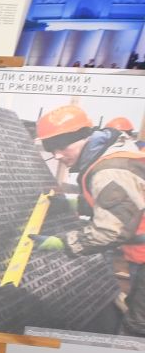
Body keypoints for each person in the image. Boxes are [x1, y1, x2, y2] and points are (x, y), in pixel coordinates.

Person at [34, 104, 145, 338]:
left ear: (83, 138)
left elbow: (111, 232)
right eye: (51, 149)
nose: (57, 156)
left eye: (62, 147)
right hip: (138, 255)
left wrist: (62, 243)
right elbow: (122, 202)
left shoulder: (108, 171)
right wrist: (73, 204)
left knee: (138, 325)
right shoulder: (113, 153)